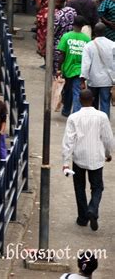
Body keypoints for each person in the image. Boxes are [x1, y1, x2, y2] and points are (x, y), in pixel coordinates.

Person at [62, 89, 114, 230]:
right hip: (96, 157)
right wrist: (108, 153)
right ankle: (92, 208)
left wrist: (66, 163)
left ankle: (82, 218)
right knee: (97, 187)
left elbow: (68, 141)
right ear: (92, 100)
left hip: (79, 157)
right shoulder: (102, 116)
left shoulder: (73, 117)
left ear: (79, 100)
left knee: (79, 187)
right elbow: (108, 138)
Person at [57, 16, 91, 117]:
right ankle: (75, 113)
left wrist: (58, 68)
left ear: (73, 23)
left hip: (67, 69)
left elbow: (62, 54)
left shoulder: (66, 37)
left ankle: (67, 110)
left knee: (67, 91)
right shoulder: (87, 39)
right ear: (82, 26)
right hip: (80, 70)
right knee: (76, 92)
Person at [81, 23, 115, 118]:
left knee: (93, 103)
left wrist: (83, 79)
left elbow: (86, 64)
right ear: (105, 31)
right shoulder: (112, 45)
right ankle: (104, 122)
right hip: (107, 80)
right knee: (105, 103)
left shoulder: (89, 46)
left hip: (93, 80)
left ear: (94, 32)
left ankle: (94, 121)